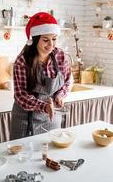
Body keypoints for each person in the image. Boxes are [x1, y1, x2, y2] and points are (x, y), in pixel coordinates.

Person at [10, 12, 73, 140]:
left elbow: (67, 81)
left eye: (54, 39)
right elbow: (20, 95)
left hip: (52, 118)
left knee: (50, 155)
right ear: (35, 39)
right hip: (26, 120)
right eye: (45, 40)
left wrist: (59, 96)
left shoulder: (60, 56)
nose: (51, 45)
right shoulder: (22, 61)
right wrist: (44, 106)